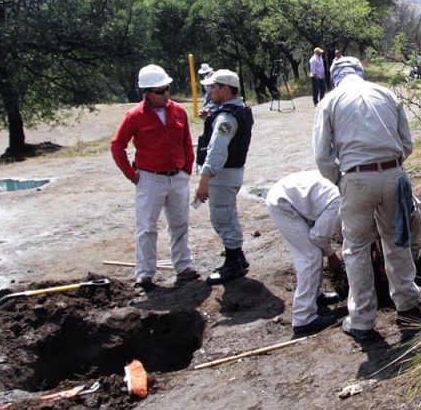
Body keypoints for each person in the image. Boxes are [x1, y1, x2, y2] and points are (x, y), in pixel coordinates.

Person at [312, 56, 421, 344]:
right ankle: (408, 302)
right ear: (360, 72)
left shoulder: (330, 101)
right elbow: (407, 144)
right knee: (396, 239)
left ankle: (362, 320)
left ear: (334, 77)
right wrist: (392, 168)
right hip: (393, 174)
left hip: (356, 177)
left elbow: (322, 156)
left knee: (356, 248)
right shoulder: (387, 93)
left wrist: (341, 179)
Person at [110, 64, 196, 289]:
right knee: (147, 227)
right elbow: (117, 145)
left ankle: (184, 266)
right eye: (159, 91)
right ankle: (145, 273)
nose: (165, 94)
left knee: (180, 224)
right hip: (150, 179)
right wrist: (132, 175)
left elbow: (187, 141)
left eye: (167, 88)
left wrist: (186, 169)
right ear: (146, 93)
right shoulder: (134, 116)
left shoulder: (178, 111)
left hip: (177, 177)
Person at [264, 170, 344, 337]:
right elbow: (318, 236)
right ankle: (303, 317)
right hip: (283, 203)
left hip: (296, 198)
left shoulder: (341, 191)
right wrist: (332, 255)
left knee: (312, 252)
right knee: (310, 256)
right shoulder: (338, 203)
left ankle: (314, 295)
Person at [194, 69, 253, 285]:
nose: (209, 91)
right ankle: (237, 256)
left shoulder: (227, 116)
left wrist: (204, 178)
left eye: (213, 87)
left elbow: (217, 149)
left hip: (223, 174)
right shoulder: (236, 110)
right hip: (230, 173)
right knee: (226, 214)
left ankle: (233, 263)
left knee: (223, 216)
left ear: (225, 89)